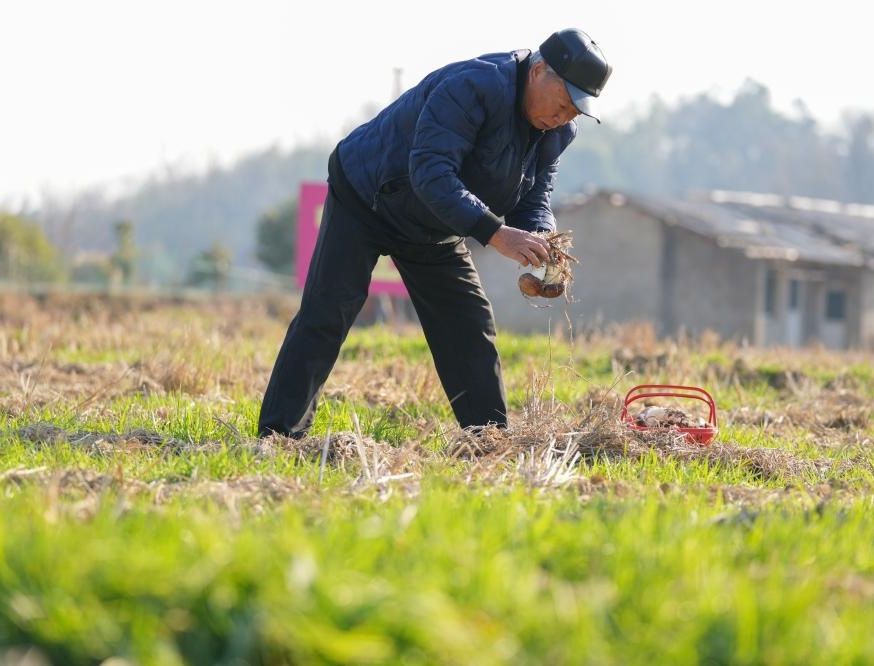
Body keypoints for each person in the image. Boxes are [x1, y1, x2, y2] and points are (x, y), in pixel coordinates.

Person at [258, 28, 612, 438]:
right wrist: (496, 234)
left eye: (576, 111)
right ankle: (279, 436)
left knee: (468, 325)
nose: (565, 116)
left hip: (435, 224)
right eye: (564, 101)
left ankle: (487, 441)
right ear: (537, 71)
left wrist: (543, 239)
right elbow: (429, 173)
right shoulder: (473, 87)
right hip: (368, 196)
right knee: (328, 312)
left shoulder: (558, 131)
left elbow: (534, 194)